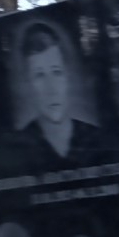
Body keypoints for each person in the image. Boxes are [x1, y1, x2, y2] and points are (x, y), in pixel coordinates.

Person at [14, 21, 106, 167]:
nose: (51, 89)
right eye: (39, 75)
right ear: (28, 84)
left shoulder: (97, 139)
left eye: (56, 72)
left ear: (67, 76)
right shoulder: (18, 148)